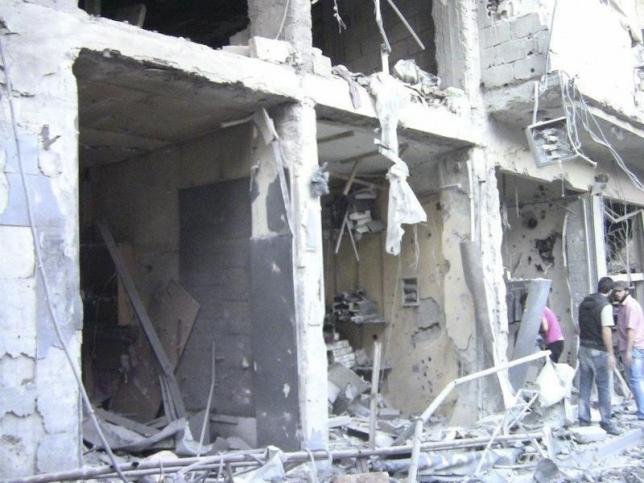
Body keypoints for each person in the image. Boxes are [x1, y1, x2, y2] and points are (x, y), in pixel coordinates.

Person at [577, 276, 620, 435]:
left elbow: (578, 327)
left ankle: (583, 419)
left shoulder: (583, 304)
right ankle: (606, 421)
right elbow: (606, 331)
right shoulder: (605, 306)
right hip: (598, 350)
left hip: (583, 348)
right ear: (610, 291)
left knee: (585, 385)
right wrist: (610, 353)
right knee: (603, 386)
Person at [612, 281, 644, 421]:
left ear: (626, 291)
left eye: (619, 291)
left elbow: (631, 330)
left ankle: (642, 411)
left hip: (634, 348)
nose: (616, 293)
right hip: (630, 347)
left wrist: (629, 351)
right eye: (615, 291)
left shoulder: (631, 306)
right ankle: (641, 409)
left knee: (635, 380)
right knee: (636, 380)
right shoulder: (623, 306)